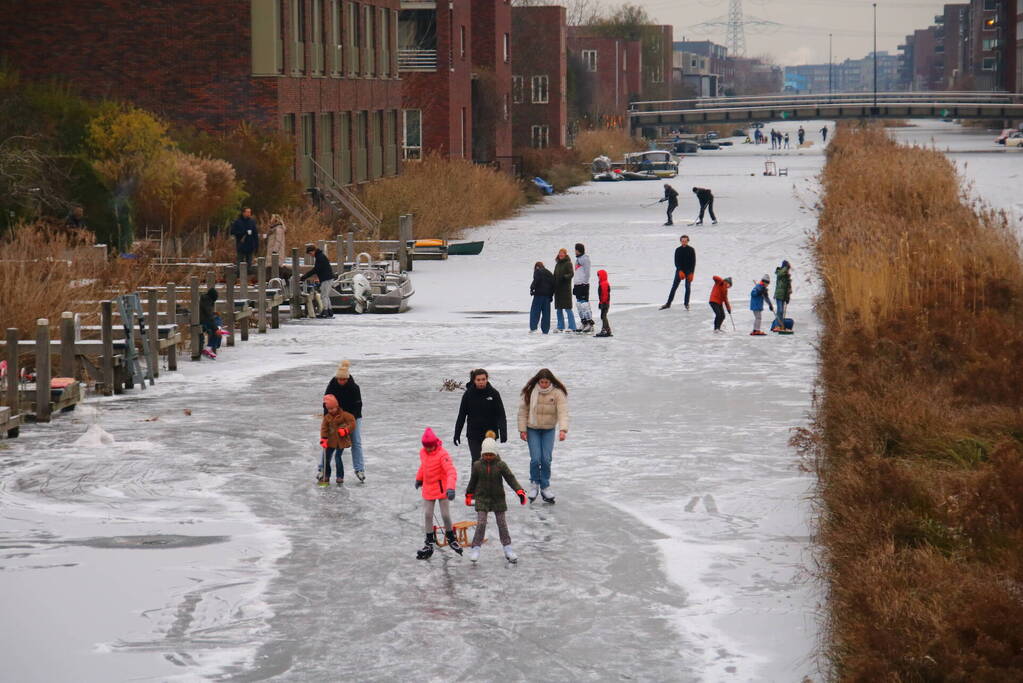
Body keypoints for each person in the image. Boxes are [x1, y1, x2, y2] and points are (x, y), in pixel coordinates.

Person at [464, 430, 527, 563]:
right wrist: (469, 494)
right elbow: (473, 481)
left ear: (495, 453)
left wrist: (519, 491)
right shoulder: (477, 465)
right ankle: (476, 548)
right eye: (485, 454)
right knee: (481, 523)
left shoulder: (500, 465)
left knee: (502, 524)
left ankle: (508, 548)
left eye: (490, 455)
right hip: (482, 498)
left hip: (498, 498)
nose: (488, 457)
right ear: (482, 453)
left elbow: (511, 479)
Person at [517, 369, 569, 503]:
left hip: (548, 430)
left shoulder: (557, 393)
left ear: (551, 381)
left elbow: (563, 412)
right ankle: (534, 483)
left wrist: (563, 429)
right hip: (532, 429)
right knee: (535, 459)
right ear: (538, 381)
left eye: (546, 382)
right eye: (542, 382)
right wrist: (522, 430)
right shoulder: (530, 392)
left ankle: (545, 486)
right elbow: (523, 412)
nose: (544, 385)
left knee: (546, 459)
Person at [414, 427, 461, 559]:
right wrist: (419, 478)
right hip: (428, 488)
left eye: (430, 446)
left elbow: (451, 471)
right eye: (426, 446)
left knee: (445, 514)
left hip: (443, 489)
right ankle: (429, 542)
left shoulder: (442, 454)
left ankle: (451, 537)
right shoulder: (423, 453)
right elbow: (423, 467)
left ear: (435, 444)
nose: (428, 449)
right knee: (428, 514)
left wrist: (451, 488)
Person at [453, 368, 507, 463]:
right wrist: (457, 433)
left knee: (490, 461)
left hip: (490, 434)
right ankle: (474, 478)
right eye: (478, 380)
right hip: (473, 434)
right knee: (476, 460)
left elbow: (501, 415)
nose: (481, 382)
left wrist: (503, 432)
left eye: (483, 379)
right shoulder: (468, 395)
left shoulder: (494, 393)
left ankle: (490, 478)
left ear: (487, 379)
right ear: (474, 380)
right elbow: (461, 416)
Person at [324, 360, 366, 482]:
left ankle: (359, 469)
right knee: (328, 442)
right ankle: (322, 468)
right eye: (339, 379)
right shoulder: (332, 386)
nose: (341, 381)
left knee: (356, 441)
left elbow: (358, 406)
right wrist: (328, 419)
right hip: (335, 416)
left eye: (344, 379)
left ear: (347, 378)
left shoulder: (354, 388)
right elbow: (325, 403)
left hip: (353, 417)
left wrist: (347, 422)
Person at [318, 394, 356, 485]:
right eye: (329, 409)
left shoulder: (345, 415)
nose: (331, 411)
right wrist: (324, 439)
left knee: (337, 457)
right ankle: (326, 475)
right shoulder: (327, 417)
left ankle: (340, 476)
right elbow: (324, 428)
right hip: (330, 441)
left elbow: (352, 423)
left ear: (337, 406)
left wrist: (346, 430)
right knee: (326, 458)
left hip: (341, 442)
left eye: (332, 408)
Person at [660, 234, 696, 310]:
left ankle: (686, 304)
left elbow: (693, 262)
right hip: (680, 271)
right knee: (674, 287)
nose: (684, 242)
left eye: (685, 241)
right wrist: (679, 270)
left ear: (688, 241)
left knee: (688, 287)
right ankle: (668, 304)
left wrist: (692, 273)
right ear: (680, 241)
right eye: (682, 241)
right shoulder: (678, 250)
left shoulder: (691, 250)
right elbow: (676, 262)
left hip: (688, 271)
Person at [300, 243, 335, 318]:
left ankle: (326, 311)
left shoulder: (319, 257)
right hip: (328, 278)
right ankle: (329, 311)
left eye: (310, 253)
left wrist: (305, 276)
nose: (310, 255)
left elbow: (316, 269)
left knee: (324, 296)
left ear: (313, 251)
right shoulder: (320, 256)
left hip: (326, 279)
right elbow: (319, 269)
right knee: (326, 296)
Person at [553, 248, 577, 332]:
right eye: (560, 253)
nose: (561, 254)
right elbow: (554, 276)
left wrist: (564, 277)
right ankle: (560, 327)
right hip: (557, 290)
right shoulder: (557, 264)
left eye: (562, 253)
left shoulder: (568, 263)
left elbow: (571, 274)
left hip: (565, 289)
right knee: (559, 309)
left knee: (568, 308)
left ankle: (572, 327)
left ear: (565, 254)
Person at [573, 243, 595, 334]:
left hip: (583, 285)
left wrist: (584, 283)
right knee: (578, 304)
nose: (575, 251)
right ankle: (584, 322)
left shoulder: (585, 259)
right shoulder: (577, 259)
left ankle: (590, 323)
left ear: (579, 250)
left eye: (576, 249)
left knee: (584, 304)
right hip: (577, 284)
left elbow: (587, 273)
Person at [529, 261, 555, 334]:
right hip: (547, 296)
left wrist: (532, 288)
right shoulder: (549, 273)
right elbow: (553, 284)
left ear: (537, 267)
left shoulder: (538, 271)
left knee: (535, 312)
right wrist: (551, 295)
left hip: (539, 295)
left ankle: (533, 328)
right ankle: (545, 330)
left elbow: (536, 280)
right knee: (546, 314)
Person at [198, 286, 223, 359]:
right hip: (202, 322)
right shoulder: (207, 302)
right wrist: (215, 329)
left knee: (217, 318)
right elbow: (209, 317)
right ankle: (209, 347)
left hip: (202, 320)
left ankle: (218, 328)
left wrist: (214, 313)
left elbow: (208, 314)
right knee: (215, 328)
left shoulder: (205, 300)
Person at [773, 260, 792, 327]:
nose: (788, 270)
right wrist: (786, 267)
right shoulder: (780, 273)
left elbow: (788, 287)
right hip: (779, 294)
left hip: (784, 295)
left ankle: (781, 325)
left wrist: (788, 295)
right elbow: (780, 274)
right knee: (780, 311)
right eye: (787, 268)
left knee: (782, 312)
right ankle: (777, 325)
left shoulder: (787, 276)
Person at [595, 269, 612, 338]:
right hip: (604, 302)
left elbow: (605, 294)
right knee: (603, 316)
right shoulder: (602, 283)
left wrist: (603, 303)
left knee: (603, 316)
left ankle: (606, 330)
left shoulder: (604, 283)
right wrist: (601, 302)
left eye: (599, 276)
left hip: (605, 303)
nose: (598, 277)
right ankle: (606, 330)